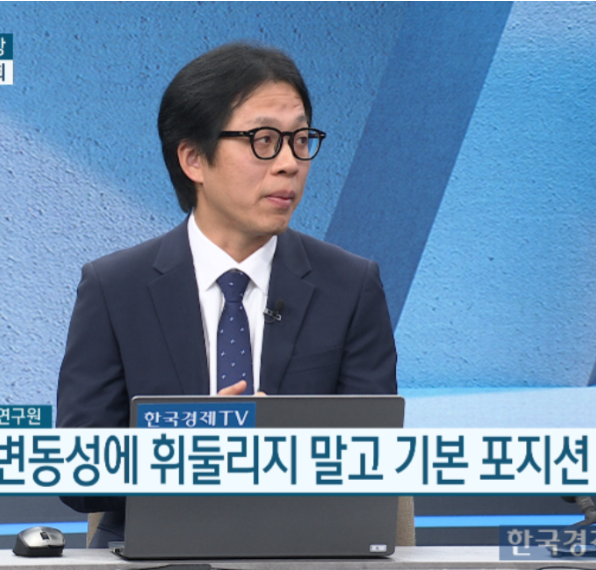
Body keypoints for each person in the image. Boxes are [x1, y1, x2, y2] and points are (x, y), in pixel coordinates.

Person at [57, 42, 398, 547]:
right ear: (194, 159)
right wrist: (191, 452)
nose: (289, 163)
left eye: (301, 139)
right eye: (264, 140)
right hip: (154, 553)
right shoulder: (114, 287)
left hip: (306, 553)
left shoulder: (351, 286)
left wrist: (282, 451)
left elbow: (377, 461)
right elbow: (77, 474)